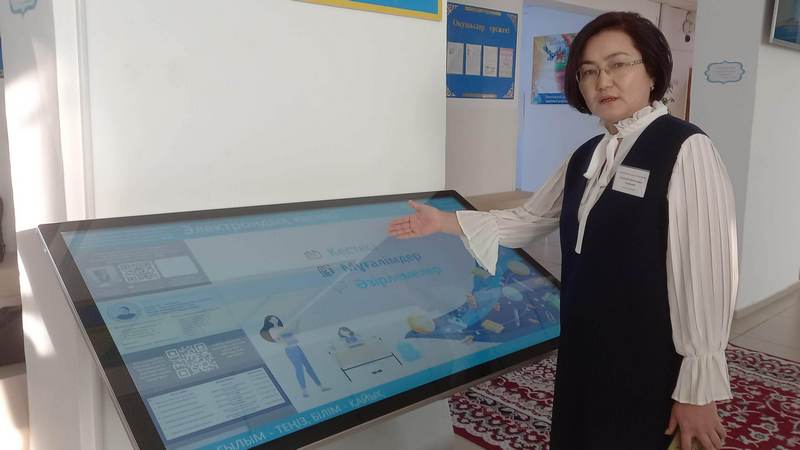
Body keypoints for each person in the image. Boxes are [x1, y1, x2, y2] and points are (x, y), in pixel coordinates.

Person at [388, 12, 737, 450]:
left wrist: (698, 390)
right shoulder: (588, 154)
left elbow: (705, 271)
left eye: (618, 64)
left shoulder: (685, 147)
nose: (603, 81)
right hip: (585, 342)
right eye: (589, 71)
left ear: (651, 71)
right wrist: (442, 221)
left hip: (648, 352)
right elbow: (530, 218)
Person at [260, 315, 331, 398]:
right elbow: (278, 339)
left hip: (297, 347)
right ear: (269, 321)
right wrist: (285, 334)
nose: (275, 319)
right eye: (272, 319)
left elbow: (293, 333)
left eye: (275, 318)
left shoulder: (282, 327)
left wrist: (297, 323)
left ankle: (321, 386)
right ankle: (304, 391)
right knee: (299, 368)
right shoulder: (272, 330)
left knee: (308, 367)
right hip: (290, 349)